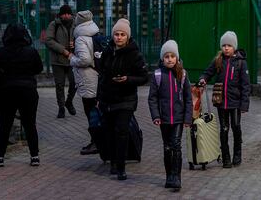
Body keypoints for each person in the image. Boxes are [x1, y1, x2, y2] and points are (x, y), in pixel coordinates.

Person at [97, 18, 148, 181]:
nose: (118, 37)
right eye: (116, 34)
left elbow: (143, 77)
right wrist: (99, 97)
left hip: (126, 100)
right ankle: (112, 161)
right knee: (109, 132)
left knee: (121, 131)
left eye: (122, 35)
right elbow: (102, 75)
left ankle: (121, 167)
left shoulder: (134, 54)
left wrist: (127, 79)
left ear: (127, 37)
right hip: (108, 99)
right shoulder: (107, 52)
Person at [0, 23, 43, 167]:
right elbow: (39, 68)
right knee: (30, 124)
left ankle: (0, 157)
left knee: (5, 124)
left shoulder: (0, 52)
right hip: (28, 91)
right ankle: (34, 157)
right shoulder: (31, 52)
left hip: (6, 91)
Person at [198, 31, 250, 168]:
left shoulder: (241, 63)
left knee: (236, 127)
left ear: (234, 47)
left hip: (235, 103)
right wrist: (203, 79)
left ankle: (237, 155)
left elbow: (245, 86)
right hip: (221, 102)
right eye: (224, 45)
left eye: (229, 45)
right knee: (224, 129)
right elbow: (207, 73)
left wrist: (244, 105)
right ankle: (226, 157)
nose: (226, 48)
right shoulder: (218, 60)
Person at [148, 40, 192, 191]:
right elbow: (152, 98)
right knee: (167, 147)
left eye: (172, 56)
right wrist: (156, 115)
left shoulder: (183, 74)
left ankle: (177, 177)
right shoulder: (157, 75)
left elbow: (188, 98)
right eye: (166, 56)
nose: (170, 59)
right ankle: (169, 176)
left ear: (177, 58)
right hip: (164, 118)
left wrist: (188, 118)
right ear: (162, 58)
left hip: (179, 118)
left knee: (176, 146)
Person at [69, 10, 100, 155]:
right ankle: (99, 140)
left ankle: (96, 142)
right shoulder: (95, 33)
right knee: (97, 110)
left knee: (91, 112)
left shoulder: (81, 38)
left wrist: (71, 58)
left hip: (87, 79)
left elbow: (85, 60)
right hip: (97, 77)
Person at [45, 4, 77, 118]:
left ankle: (69, 101)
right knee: (60, 85)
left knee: (75, 82)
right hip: (58, 60)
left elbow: (82, 38)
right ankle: (61, 107)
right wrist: (63, 50)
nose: (66, 16)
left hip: (72, 60)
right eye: (64, 14)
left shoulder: (76, 24)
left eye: (68, 13)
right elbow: (48, 40)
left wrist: (76, 43)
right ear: (60, 14)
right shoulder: (54, 24)